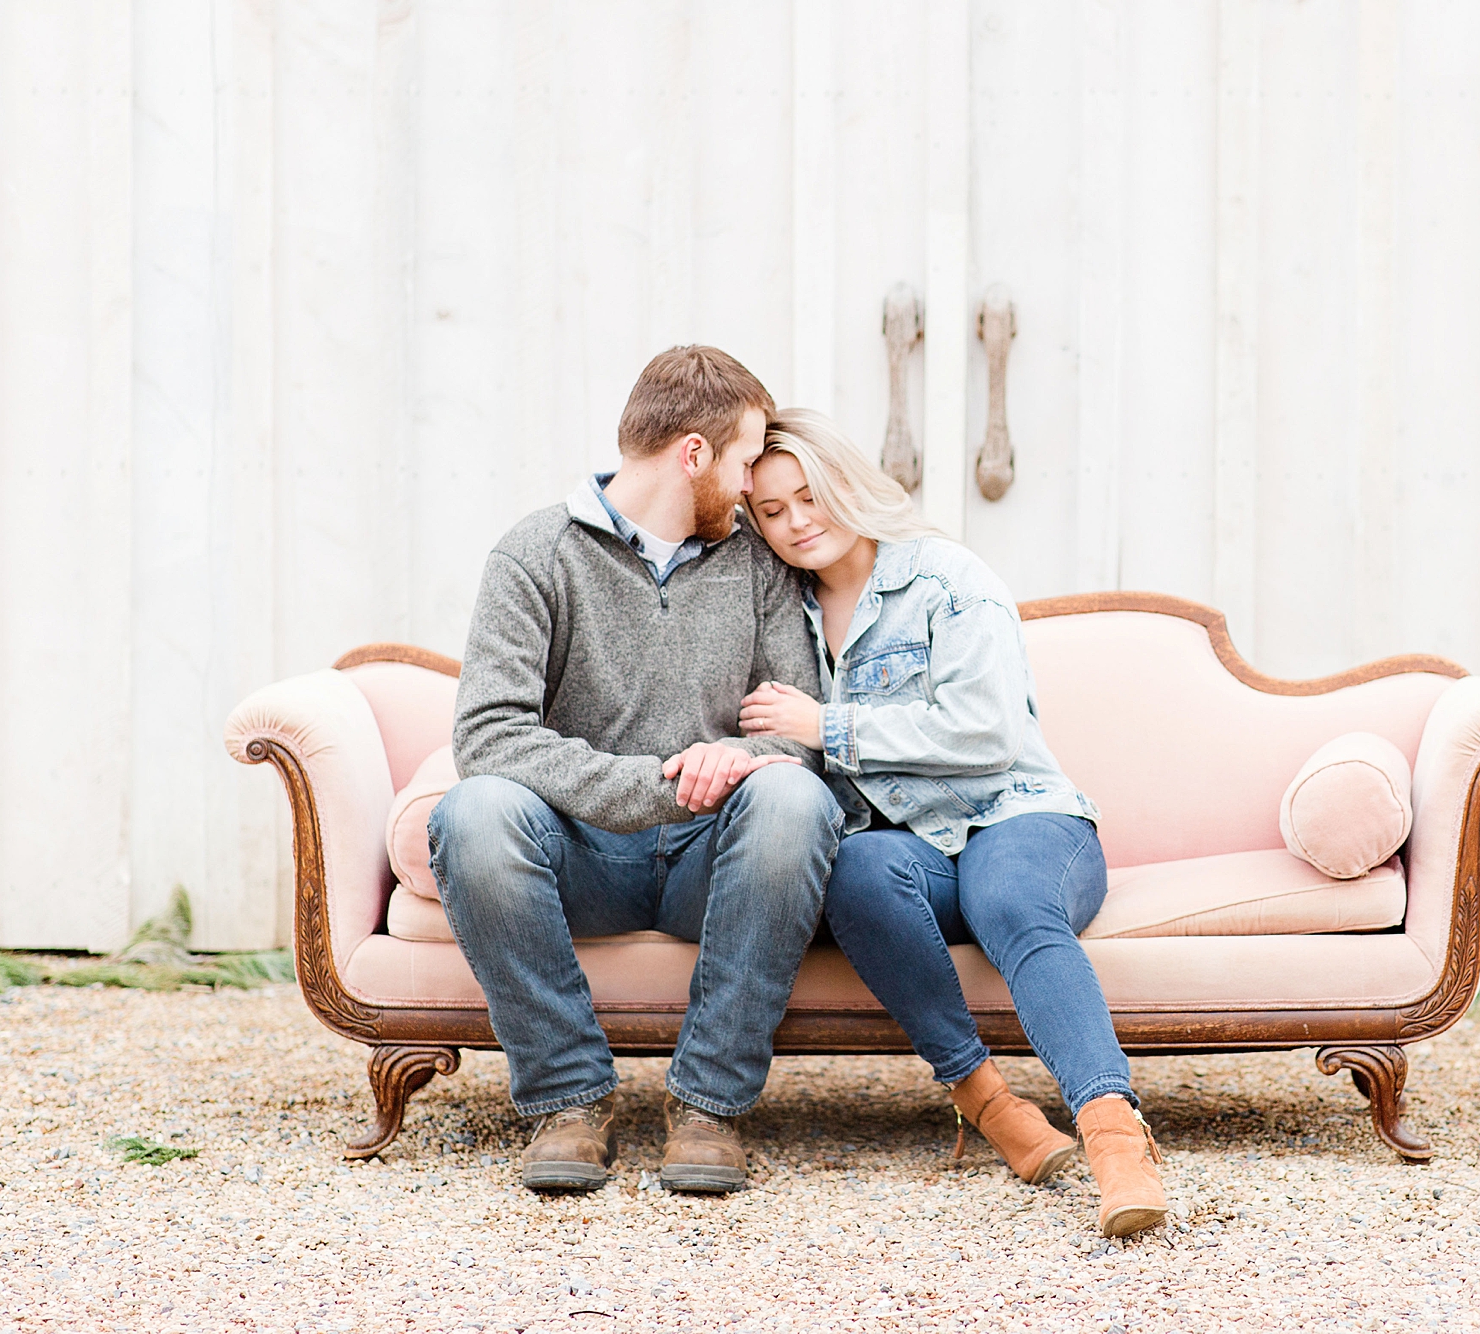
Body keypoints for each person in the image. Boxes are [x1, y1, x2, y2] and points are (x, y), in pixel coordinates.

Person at [737, 409, 1168, 1237]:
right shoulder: (777, 613)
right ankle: (987, 1103)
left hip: (1023, 818)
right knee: (853, 869)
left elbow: (986, 733)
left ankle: (1117, 1142)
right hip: (911, 848)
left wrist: (826, 725)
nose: (797, 522)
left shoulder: (946, 579)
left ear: (847, 484)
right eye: (772, 511)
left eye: (809, 496)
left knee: (1007, 899)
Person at [429, 348, 842, 1195]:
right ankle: (567, 1101)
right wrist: (655, 784)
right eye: (742, 459)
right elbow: (489, 735)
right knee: (471, 814)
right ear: (693, 454)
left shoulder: (756, 564)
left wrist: (739, 758)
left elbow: (798, 735)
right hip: (580, 856)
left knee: (796, 800)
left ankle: (709, 1109)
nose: (750, 481)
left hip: (713, 856)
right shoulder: (534, 554)